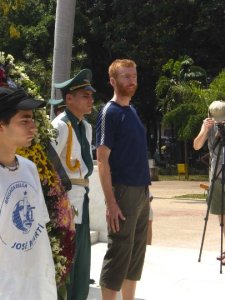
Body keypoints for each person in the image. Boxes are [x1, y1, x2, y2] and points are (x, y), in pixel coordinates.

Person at [96, 59, 151, 300]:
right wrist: (110, 202)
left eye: (134, 76)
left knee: (136, 255)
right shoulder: (110, 112)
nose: (132, 81)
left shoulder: (133, 111)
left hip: (141, 192)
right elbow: (102, 160)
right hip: (123, 192)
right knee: (119, 252)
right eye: (126, 76)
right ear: (113, 81)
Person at [0, 87, 57, 300]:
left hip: (36, 288)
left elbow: (38, 227)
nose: (33, 127)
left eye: (32, 120)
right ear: (1, 126)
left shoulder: (29, 168)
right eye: (24, 121)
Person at [51, 69, 95, 300]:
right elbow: (47, 166)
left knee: (82, 262)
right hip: (65, 201)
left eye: (91, 95)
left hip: (83, 197)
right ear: (69, 99)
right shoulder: (60, 125)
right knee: (67, 262)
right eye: (85, 95)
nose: (91, 100)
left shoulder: (85, 126)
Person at [193, 100, 225, 264]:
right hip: (216, 176)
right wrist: (205, 130)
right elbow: (197, 145)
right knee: (222, 214)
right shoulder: (209, 126)